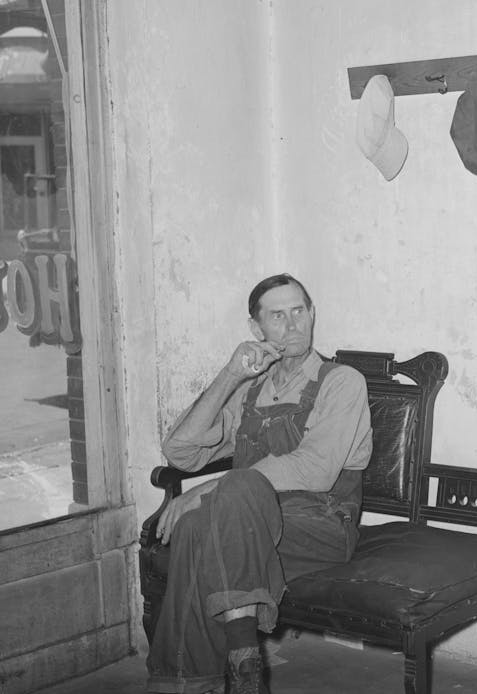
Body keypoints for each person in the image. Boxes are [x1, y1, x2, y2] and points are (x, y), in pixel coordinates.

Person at [146, 273, 373, 694]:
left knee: (229, 494)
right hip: (250, 526)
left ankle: (178, 681)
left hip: (321, 524)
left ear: (312, 314)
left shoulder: (341, 382)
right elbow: (180, 450)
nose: (293, 325)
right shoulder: (252, 390)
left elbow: (315, 470)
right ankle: (241, 664)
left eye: (299, 311)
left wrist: (206, 489)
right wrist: (232, 375)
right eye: (277, 316)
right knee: (200, 526)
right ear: (257, 329)